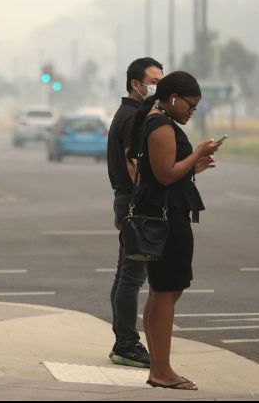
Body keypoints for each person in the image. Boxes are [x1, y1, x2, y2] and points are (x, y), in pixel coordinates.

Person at [130, 71, 219, 390]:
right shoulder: (161, 126)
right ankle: (162, 371)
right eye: (190, 105)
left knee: (162, 292)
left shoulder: (155, 120)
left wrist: (194, 166)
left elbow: (161, 175)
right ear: (173, 98)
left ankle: (159, 368)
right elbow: (166, 175)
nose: (192, 111)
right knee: (166, 292)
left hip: (162, 214)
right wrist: (194, 153)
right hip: (167, 221)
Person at [107, 57, 164, 368]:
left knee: (124, 275)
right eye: (154, 82)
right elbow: (134, 165)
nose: (157, 88)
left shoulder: (127, 113)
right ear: (136, 84)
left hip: (125, 202)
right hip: (135, 204)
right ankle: (127, 343)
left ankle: (123, 340)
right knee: (131, 277)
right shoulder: (133, 118)